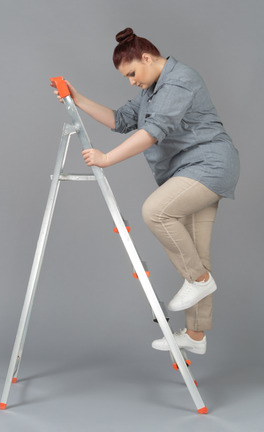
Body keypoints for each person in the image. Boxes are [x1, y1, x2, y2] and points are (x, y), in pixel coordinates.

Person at [53, 27, 240, 355]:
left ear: (148, 57)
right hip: (188, 169)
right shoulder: (152, 89)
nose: (131, 81)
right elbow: (121, 120)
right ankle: (196, 336)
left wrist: (107, 159)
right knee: (198, 251)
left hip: (209, 164)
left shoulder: (180, 80)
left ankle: (197, 280)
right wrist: (76, 97)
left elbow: (152, 132)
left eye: (132, 73)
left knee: (156, 212)